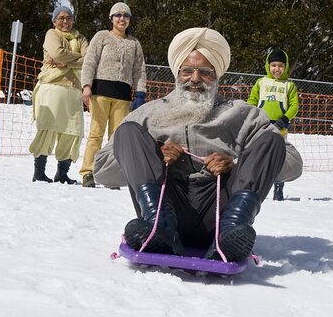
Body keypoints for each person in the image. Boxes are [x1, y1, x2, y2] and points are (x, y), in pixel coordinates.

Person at [93, 28, 286, 262]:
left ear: (217, 75)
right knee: (128, 131)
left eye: (205, 72)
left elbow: (289, 161)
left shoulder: (243, 114)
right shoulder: (147, 114)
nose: (195, 79)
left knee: (272, 138)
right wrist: (154, 156)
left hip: (220, 208)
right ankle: (159, 228)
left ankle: (229, 233)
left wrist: (238, 165)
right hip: (167, 201)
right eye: (187, 71)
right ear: (177, 73)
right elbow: (102, 171)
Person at [79, 2, 147, 188]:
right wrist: (86, 86)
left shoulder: (134, 43)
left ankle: (110, 174)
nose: (122, 19)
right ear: (111, 18)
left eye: (125, 15)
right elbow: (90, 62)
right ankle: (88, 172)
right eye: (118, 15)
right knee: (96, 133)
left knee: (117, 137)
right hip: (100, 92)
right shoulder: (102, 37)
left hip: (122, 96)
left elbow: (139, 70)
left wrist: (140, 93)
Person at [28, 6, 89, 184]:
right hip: (52, 87)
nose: (65, 21)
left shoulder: (81, 38)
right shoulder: (52, 34)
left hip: (73, 91)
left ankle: (62, 174)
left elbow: (88, 59)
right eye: (61, 18)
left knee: (72, 131)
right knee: (47, 128)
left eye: (68, 17)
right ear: (54, 21)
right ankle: (39, 172)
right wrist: (74, 59)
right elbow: (56, 53)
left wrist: (65, 62)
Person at [247, 48, 303, 201]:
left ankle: (279, 186)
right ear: (268, 66)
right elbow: (252, 100)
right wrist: (252, 115)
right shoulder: (261, 83)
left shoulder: (289, 85)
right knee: (259, 153)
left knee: (279, 155)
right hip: (262, 125)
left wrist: (284, 119)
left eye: (280, 66)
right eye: (273, 65)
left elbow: (294, 106)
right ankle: (256, 186)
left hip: (280, 126)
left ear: (285, 67)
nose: (276, 69)